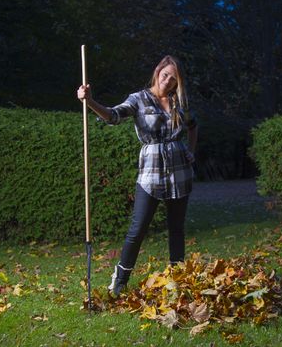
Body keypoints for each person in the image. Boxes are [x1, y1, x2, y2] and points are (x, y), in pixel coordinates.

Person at [76, 55, 198, 296]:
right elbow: (112, 115)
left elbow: (193, 125)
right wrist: (89, 101)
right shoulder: (139, 99)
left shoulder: (178, 101)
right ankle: (119, 281)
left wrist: (191, 152)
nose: (168, 81)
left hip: (179, 172)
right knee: (138, 228)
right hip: (150, 173)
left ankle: (178, 281)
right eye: (165, 75)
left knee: (177, 229)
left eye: (174, 79)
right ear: (157, 72)